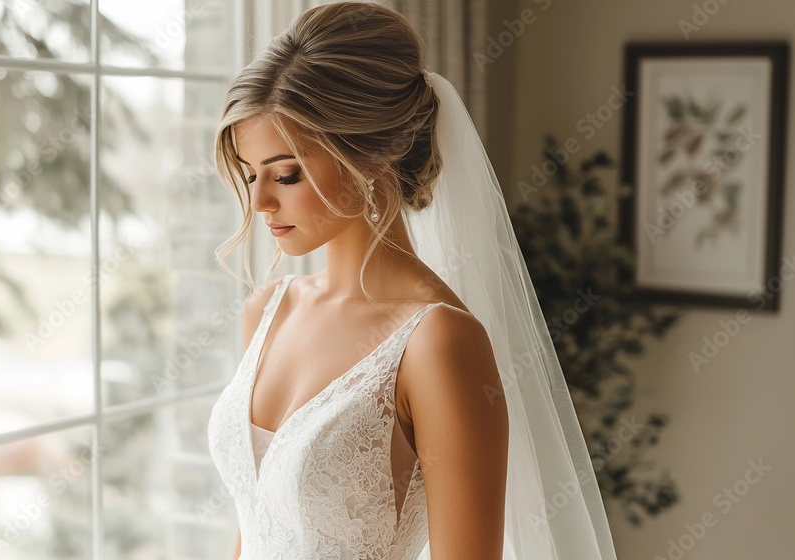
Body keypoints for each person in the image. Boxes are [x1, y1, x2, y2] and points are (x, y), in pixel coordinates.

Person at [207, 3, 618, 559]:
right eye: (250, 174)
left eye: (286, 173)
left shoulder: (439, 342)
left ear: (372, 156)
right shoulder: (267, 311)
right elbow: (254, 527)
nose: (258, 201)